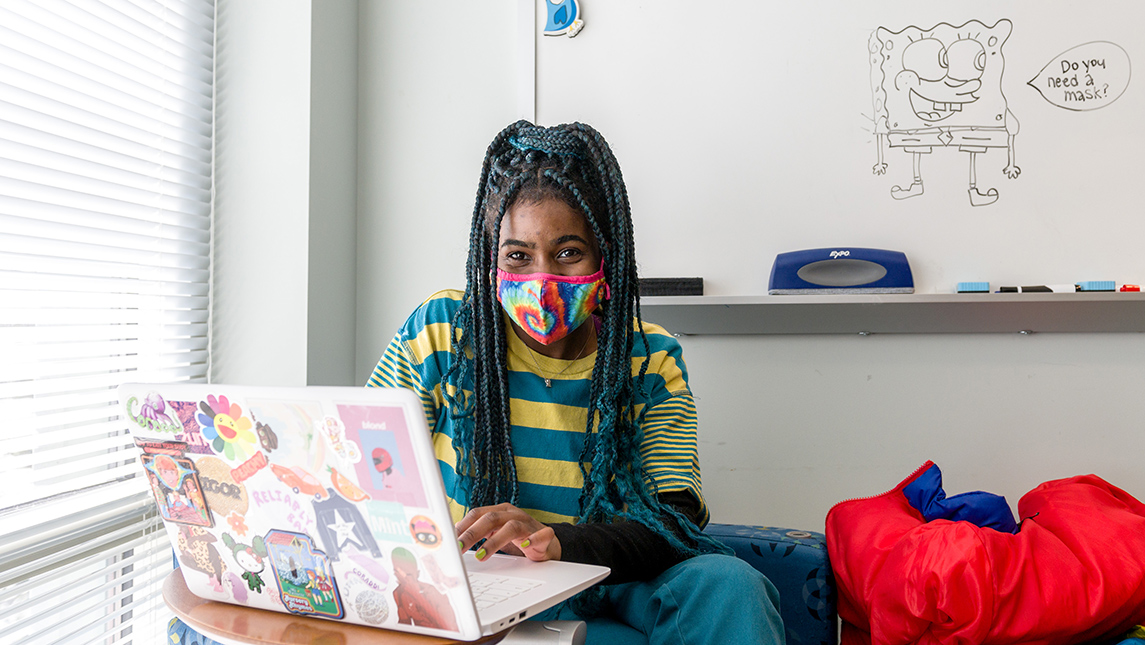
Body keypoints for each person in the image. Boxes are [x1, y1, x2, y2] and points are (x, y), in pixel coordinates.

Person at [367, 120, 783, 644]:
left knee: (731, 586)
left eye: (568, 253)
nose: (542, 279)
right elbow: (366, 471)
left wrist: (557, 543)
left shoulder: (650, 358)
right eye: (518, 256)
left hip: (607, 579)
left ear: (605, 255)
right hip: (473, 580)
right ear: (489, 260)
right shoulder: (442, 333)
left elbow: (673, 519)